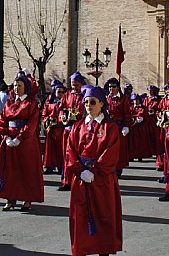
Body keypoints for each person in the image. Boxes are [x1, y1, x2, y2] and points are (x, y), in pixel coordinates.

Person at [66, 85, 122, 256]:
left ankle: (103, 250)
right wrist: (79, 170)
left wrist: (96, 171)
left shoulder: (109, 127)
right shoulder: (78, 126)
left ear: (101, 104)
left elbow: (111, 152)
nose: (89, 106)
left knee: (103, 214)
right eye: (86, 102)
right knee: (80, 216)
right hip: (81, 178)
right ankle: (82, 249)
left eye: (92, 102)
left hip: (101, 179)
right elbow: (70, 150)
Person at [0, 73, 44, 211]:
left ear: (26, 87)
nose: (17, 88)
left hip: (25, 142)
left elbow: (32, 123)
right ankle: (10, 199)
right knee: (10, 170)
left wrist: (20, 138)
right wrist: (5, 135)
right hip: (10, 139)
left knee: (26, 170)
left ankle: (27, 199)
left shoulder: (31, 103)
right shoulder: (10, 102)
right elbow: (3, 119)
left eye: (20, 85)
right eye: (15, 85)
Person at [59, 72, 87, 191]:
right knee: (67, 155)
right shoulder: (67, 95)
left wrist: (78, 117)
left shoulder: (85, 96)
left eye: (76, 85)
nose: (74, 87)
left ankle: (78, 179)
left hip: (80, 130)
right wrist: (64, 117)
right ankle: (66, 180)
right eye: (72, 84)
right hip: (67, 129)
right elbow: (61, 108)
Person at [105, 77, 130, 176]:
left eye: (113, 87)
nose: (111, 89)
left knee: (118, 149)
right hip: (108, 127)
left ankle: (118, 168)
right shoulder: (107, 98)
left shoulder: (123, 99)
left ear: (118, 87)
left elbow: (127, 113)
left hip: (118, 126)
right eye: (110, 87)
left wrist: (126, 126)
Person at [42, 80, 66, 175]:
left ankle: (60, 166)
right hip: (51, 129)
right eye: (58, 91)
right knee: (49, 149)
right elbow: (44, 113)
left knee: (60, 148)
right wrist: (47, 121)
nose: (60, 94)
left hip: (61, 128)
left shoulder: (65, 102)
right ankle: (48, 166)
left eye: (62, 92)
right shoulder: (49, 101)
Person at [128, 93, 154, 161]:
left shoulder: (143, 108)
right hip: (133, 127)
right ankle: (131, 155)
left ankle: (140, 156)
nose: (136, 101)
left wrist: (143, 119)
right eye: (134, 100)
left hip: (141, 128)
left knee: (140, 142)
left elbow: (146, 116)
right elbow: (128, 115)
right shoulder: (130, 107)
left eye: (137, 100)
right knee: (132, 142)